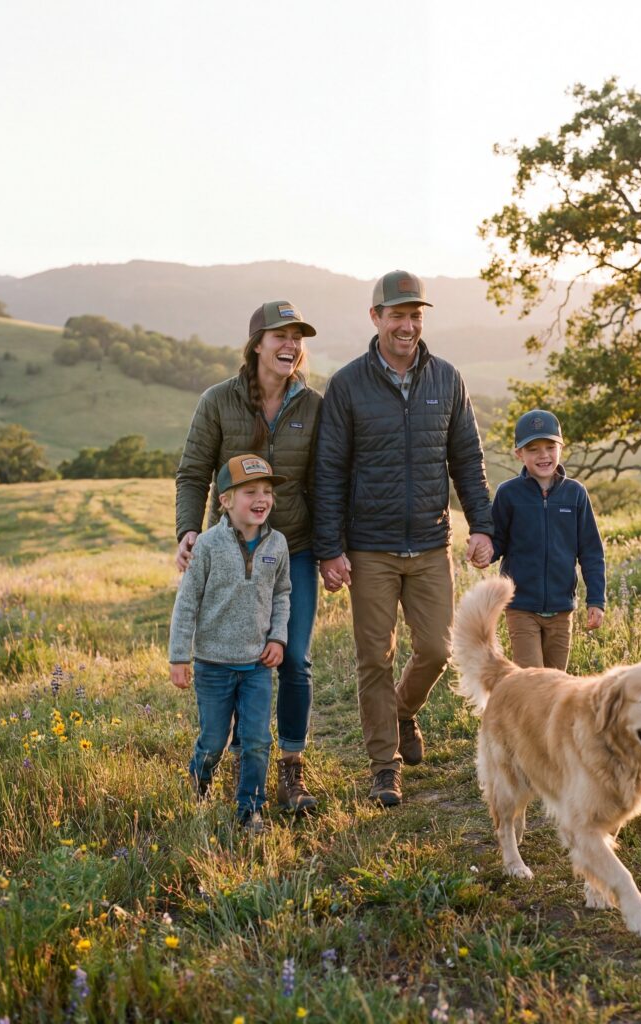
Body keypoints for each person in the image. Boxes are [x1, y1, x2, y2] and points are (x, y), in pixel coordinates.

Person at [314, 270, 494, 808]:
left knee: (438, 650)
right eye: (398, 315)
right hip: (369, 545)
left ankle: (402, 712)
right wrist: (330, 548)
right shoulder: (347, 386)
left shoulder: (447, 380)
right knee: (375, 658)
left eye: (416, 315)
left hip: (431, 542)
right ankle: (383, 767)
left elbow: (467, 460)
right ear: (376, 319)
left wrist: (481, 524)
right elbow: (329, 471)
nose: (408, 325)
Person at [175, 300, 322, 814]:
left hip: (295, 550)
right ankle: (241, 757)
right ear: (257, 343)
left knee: (295, 657)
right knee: (238, 654)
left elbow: (324, 482)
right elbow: (193, 472)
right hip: (233, 551)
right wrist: (188, 531)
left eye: (297, 337)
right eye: (280, 335)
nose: (290, 345)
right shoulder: (218, 401)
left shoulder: (312, 405)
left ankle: (292, 769)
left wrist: (330, 550)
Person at [169, 454, 292, 833]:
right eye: (250, 491)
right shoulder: (207, 546)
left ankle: (249, 810)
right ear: (224, 500)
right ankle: (198, 779)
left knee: (256, 740)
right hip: (213, 665)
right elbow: (187, 602)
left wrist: (278, 638)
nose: (261, 499)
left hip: (257, 664)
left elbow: (283, 594)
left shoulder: (278, 544)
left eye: (267, 492)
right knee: (213, 741)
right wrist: (179, 656)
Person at [490, 409, 605, 670]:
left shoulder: (575, 494)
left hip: (561, 609)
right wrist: (484, 551)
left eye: (550, 446)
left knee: (555, 683)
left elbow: (591, 552)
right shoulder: (508, 494)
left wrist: (596, 600)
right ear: (519, 454)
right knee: (532, 680)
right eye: (533, 449)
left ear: (561, 448)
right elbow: (497, 542)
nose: (543, 455)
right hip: (521, 607)